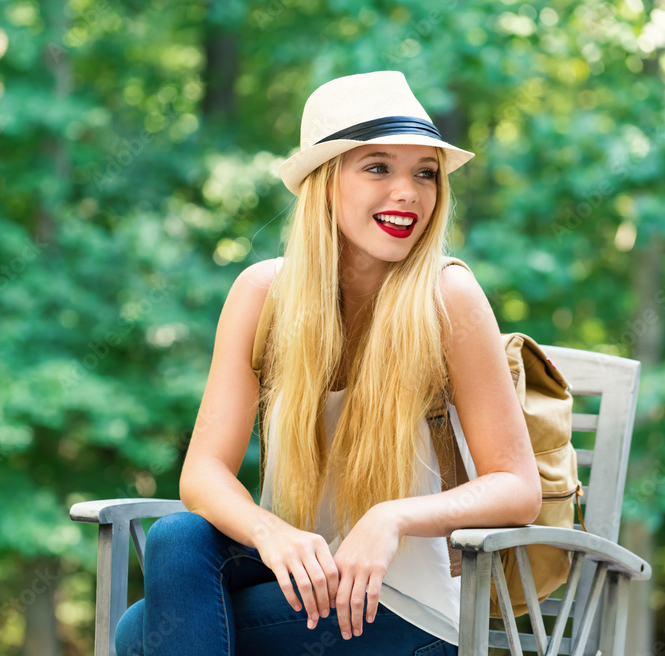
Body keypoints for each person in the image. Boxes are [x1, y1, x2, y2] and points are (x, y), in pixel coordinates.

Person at [114, 71, 542, 656]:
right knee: (178, 537)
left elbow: (517, 487)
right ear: (324, 181)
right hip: (300, 581)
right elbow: (203, 473)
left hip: (405, 609)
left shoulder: (448, 297)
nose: (409, 193)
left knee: (139, 635)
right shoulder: (264, 294)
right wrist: (271, 533)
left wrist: (390, 518)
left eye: (425, 173)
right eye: (377, 167)